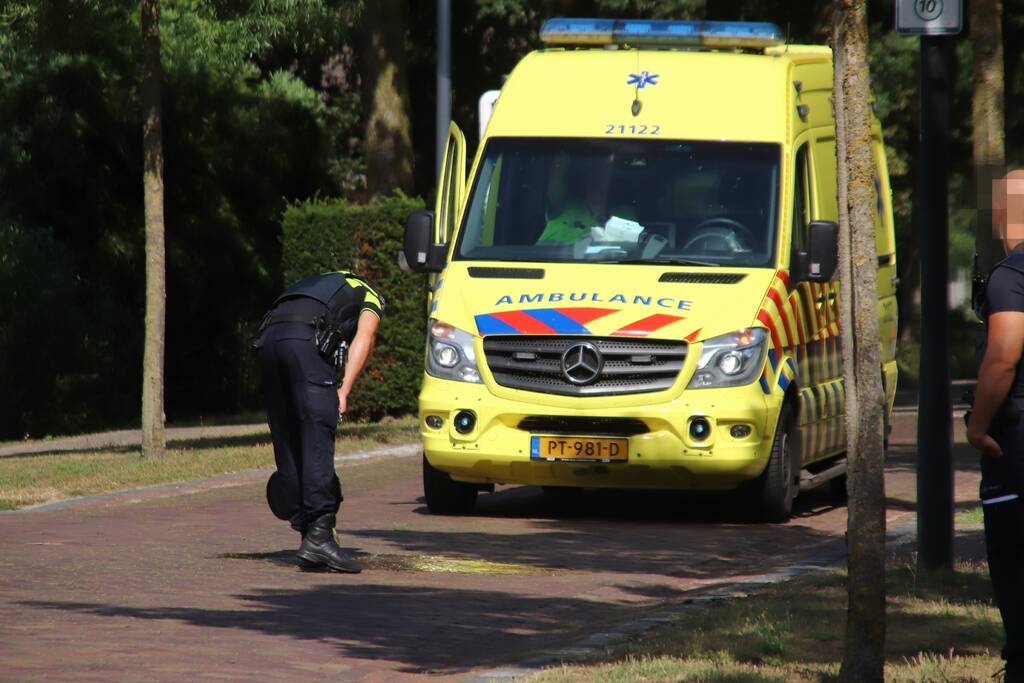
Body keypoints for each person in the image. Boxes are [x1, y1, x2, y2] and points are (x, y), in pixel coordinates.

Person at [253, 270, 384, 573]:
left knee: (287, 434)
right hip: (302, 341)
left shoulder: (315, 284)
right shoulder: (369, 293)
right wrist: (344, 390)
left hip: (267, 342)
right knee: (316, 435)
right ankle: (320, 537)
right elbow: (365, 337)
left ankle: (305, 529)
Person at [966, 169, 1024, 682]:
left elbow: (1003, 357)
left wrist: (978, 426)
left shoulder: (1012, 275)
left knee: (1014, 568)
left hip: (1017, 448)